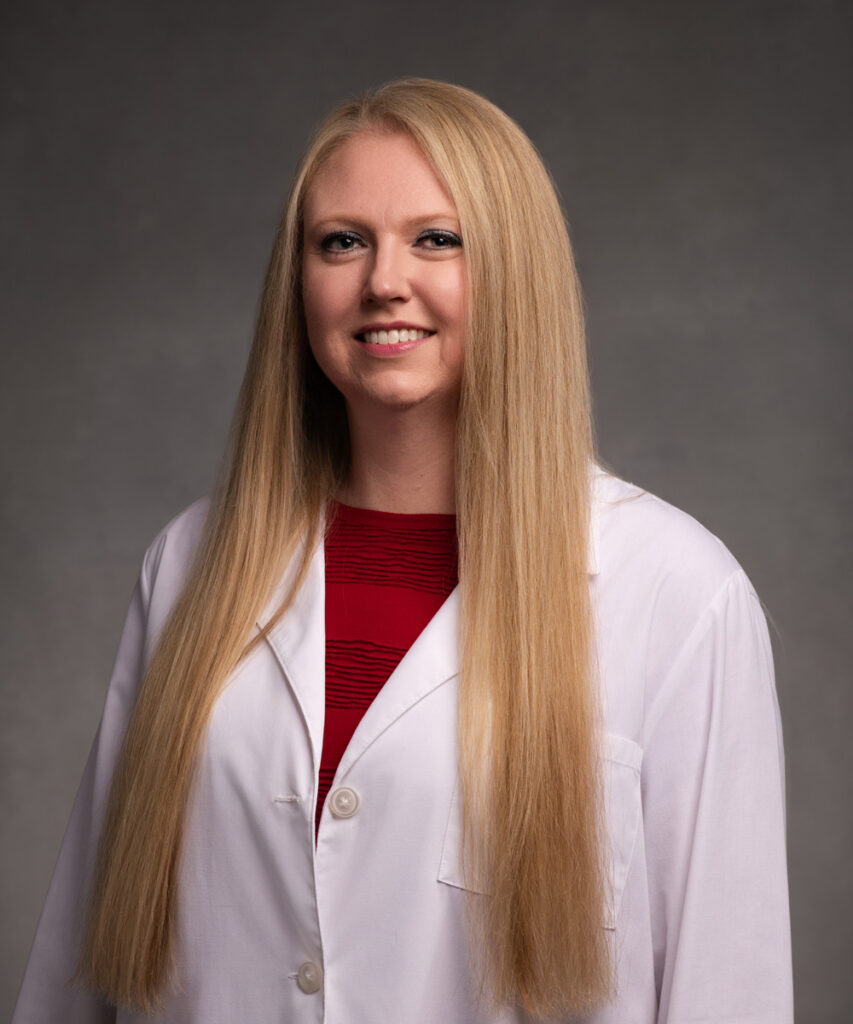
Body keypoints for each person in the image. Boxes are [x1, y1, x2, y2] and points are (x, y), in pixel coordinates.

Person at [12, 78, 793, 1024]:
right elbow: (81, 971)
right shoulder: (188, 564)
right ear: (297, 282)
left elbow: (728, 988)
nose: (383, 280)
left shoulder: (676, 592)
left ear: (515, 271)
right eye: (342, 241)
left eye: (437, 239)